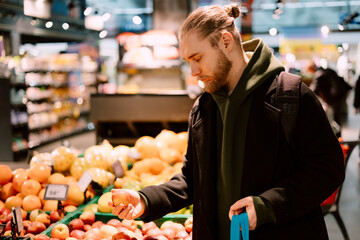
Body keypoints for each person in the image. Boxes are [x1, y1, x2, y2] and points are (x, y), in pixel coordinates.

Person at [110, 4, 345, 239]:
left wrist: (268, 206)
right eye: (187, 61)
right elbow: (192, 180)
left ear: (225, 41)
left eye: (197, 58)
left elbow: (328, 168)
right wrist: (146, 199)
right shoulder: (203, 108)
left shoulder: (291, 96)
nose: (193, 71)